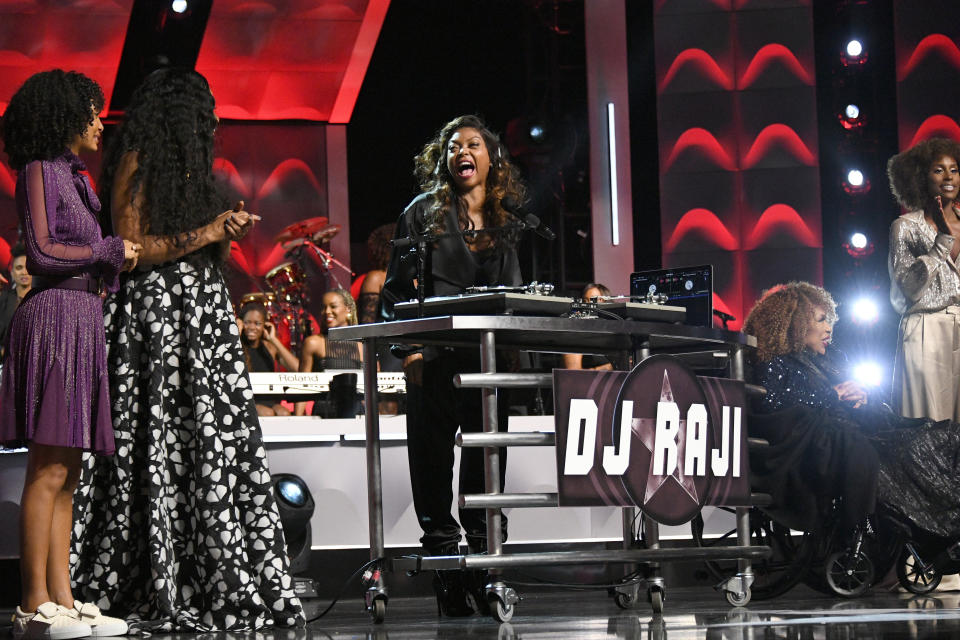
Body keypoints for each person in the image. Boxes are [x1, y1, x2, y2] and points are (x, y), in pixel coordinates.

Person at [71, 68, 304, 631]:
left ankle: (210, 570)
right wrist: (208, 232)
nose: (214, 122)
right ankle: (155, 575)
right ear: (178, 114)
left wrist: (219, 229)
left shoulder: (189, 173)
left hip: (197, 325)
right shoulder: (138, 160)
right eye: (206, 112)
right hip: (156, 325)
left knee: (205, 448)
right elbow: (128, 247)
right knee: (158, 443)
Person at [0, 69, 140, 640]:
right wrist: (109, 248)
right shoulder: (39, 170)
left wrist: (112, 259)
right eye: (90, 111)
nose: (98, 123)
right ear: (63, 116)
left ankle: (63, 595)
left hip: (83, 319)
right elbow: (41, 248)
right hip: (55, 318)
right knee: (50, 464)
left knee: (72, 469)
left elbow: (78, 251)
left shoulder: (77, 178)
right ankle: (33, 602)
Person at [380, 114, 527, 616]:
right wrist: (410, 350)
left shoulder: (508, 221)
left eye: (474, 144)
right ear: (443, 161)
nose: (463, 152)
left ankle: (488, 571)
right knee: (432, 466)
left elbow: (514, 296)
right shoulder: (422, 213)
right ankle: (446, 575)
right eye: (453, 146)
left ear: (492, 159)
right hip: (434, 360)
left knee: (488, 469)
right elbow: (395, 292)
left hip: (486, 363)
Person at [744, 282, 960, 545]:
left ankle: (940, 537)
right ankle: (911, 537)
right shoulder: (772, 362)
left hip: (860, 431)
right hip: (815, 449)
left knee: (939, 439)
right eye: (822, 320)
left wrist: (861, 399)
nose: (828, 328)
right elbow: (775, 403)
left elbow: (854, 397)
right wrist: (833, 395)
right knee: (899, 453)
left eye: (829, 320)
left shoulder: (830, 359)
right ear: (795, 323)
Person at [888, 137, 960, 422]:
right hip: (925, 329)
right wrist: (941, 243)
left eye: (954, 169)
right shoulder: (905, 227)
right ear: (920, 176)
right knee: (928, 430)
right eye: (938, 169)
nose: (948, 177)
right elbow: (909, 289)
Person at [295, 288, 363, 417]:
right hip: (324, 413)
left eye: (333, 306)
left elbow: (376, 388)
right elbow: (301, 386)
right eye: (323, 307)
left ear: (348, 309)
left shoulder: (363, 346)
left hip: (359, 415)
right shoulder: (314, 343)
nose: (327, 312)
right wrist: (297, 421)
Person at [239, 300, 299, 416]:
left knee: (284, 413)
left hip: (269, 399)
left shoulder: (269, 347)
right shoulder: (237, 347)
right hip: (248, 400)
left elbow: (297, 368)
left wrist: (274, 339)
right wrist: (236, 331)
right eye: (247, 323)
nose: (252, 327)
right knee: (267, 413)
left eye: (257, 323)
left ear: (264, 326)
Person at [562, 282, 614, 370]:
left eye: (595, 300)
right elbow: (573, 372)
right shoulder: (577, 331)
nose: (590, 305)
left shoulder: (615, 330)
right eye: (586, 300)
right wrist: (608, 368)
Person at [0, 243, 33, 354]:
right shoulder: (3, 299)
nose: (24, 272)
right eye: (19, 268)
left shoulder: (43, 301)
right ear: (12, 273)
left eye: (28, 268)